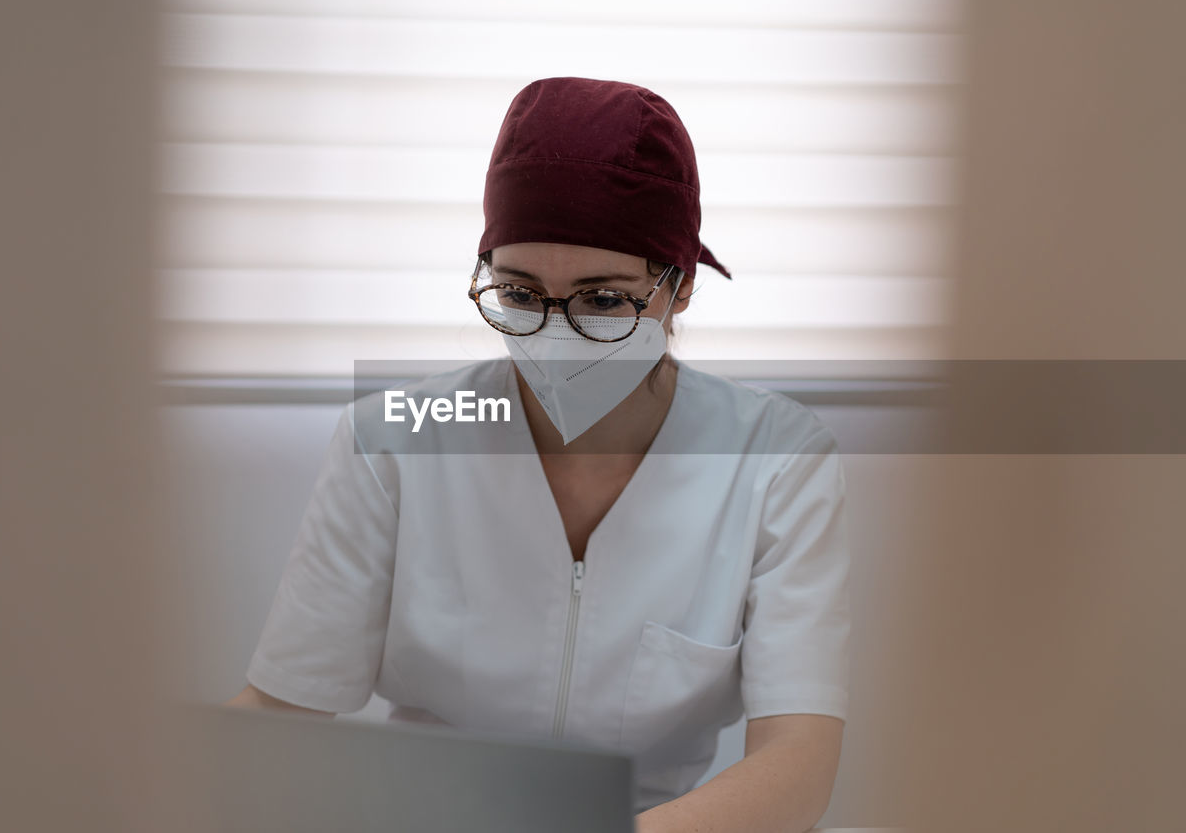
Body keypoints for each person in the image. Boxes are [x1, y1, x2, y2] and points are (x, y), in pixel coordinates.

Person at [227, 77, 849, 832]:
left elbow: (798, 765)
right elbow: (279, 715)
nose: (554, 337)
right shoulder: (395, 440)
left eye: (605, 300)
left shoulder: (776, 463)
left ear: (678, 289)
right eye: (520, 293)